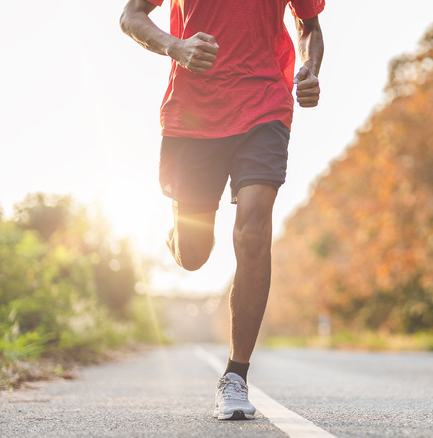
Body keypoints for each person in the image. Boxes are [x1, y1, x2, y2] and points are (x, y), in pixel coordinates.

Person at [119, 0, 325, 421]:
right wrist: (175, 47)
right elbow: (131, 16)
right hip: (193, 114)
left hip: (265, 103)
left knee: (254, 223)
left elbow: (309, 25)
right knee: (194, 254)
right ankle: (181, 228)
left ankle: (236, 375)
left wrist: (309, 68)